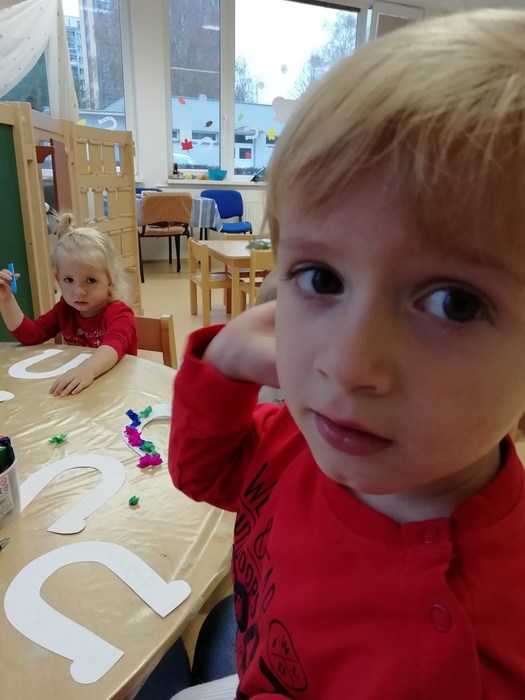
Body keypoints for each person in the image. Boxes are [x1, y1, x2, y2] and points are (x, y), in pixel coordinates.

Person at [168, 8, 525, 699]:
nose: (347, 364)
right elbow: (202, 471)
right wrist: (223, 367)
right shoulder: (299, 440)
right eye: (322, 278)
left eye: (454, 303)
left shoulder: (487, 631)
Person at [0, 213, 137, 396]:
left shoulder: (120, 313)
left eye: (91, 280)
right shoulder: (66, 308)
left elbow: (113, 345)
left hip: (119, 391)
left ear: (111, 281)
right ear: (58, 279)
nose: (78, 291)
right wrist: (6, 300)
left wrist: (88, 370)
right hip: (82, 392)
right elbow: (31, 335)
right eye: (69, 280)